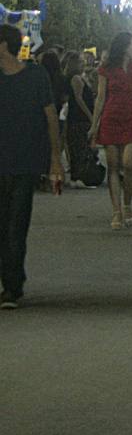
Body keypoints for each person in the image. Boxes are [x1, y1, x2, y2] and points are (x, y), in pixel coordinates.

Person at [0, 23, 64, 309]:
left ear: (4, 45)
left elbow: (50, 117)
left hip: (25, 161)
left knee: (15, 225)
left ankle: (13, 286)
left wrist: (55, 160)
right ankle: (11, 280)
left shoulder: (36, 76)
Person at [89, 31, 132, 229]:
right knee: (113, 166)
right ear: (124, 47)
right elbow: (100, 97)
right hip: (110, 118)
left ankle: (128, 203)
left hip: (131, 118)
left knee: (129, 163)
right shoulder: (106, 69)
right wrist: (94, 124)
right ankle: (117, 211)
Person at [62, 51, 98, 185]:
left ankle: (79, 175)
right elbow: (79, 99)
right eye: (81, 62)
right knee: (78, 146)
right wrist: (90, 115)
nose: (84, 64)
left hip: (79, 117)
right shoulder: (76, 78)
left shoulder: (81, 77)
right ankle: (78, 176)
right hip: (79, 117)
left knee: (80, 145)